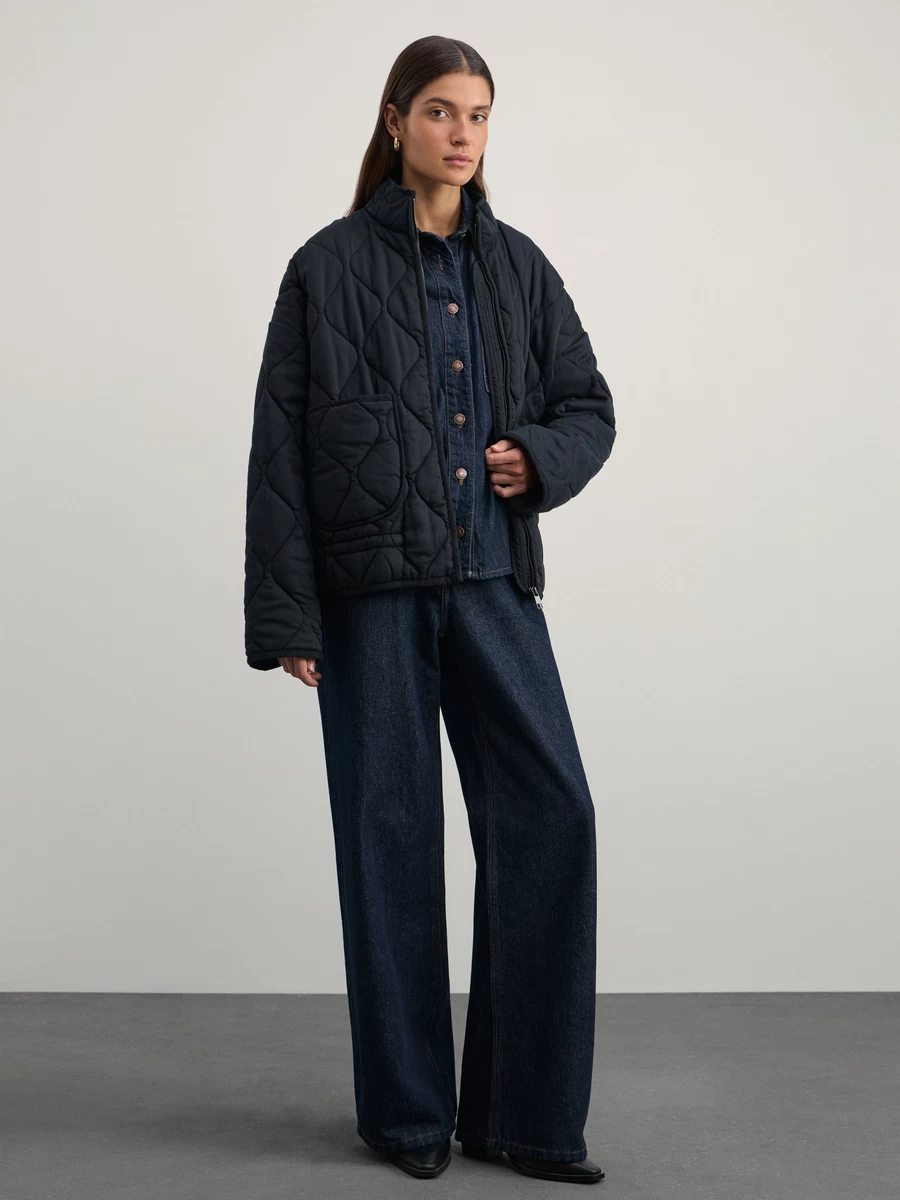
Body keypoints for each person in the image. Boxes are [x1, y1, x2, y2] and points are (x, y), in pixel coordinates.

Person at [243, 35, 616, 1185]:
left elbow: (589, 406)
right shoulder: (324, 269)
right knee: (391, 842)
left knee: (553, 813)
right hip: (370, 602)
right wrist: (290, 618)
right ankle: (409, 1120)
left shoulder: (520, 268)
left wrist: (538, 457)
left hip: (495, 583)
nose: (463, 133)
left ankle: (524, 1119)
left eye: (481, 114)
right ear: (396, 119)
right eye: (444, 111)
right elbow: (279, 452)